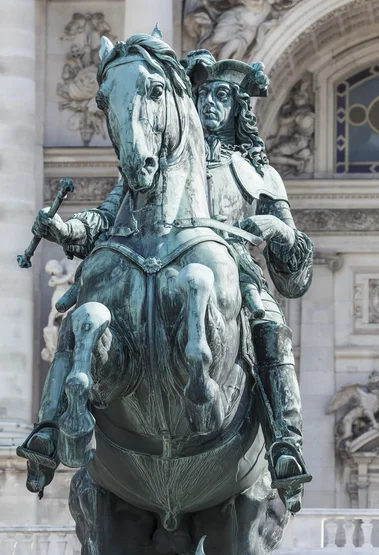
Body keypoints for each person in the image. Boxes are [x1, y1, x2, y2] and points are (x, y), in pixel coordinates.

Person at [22, 49, 313, 512]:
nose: (210, 104)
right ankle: (49, 428)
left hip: (233, 276)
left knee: (270, 325)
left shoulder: (259, 175)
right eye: (202, 94)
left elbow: (296, 275)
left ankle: (286, 444)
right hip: (145, 260)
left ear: (238, 108)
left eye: (223, 95)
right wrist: (63, 230)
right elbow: (99, 221)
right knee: (85, 315)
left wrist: (276, 229)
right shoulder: (148, 172)